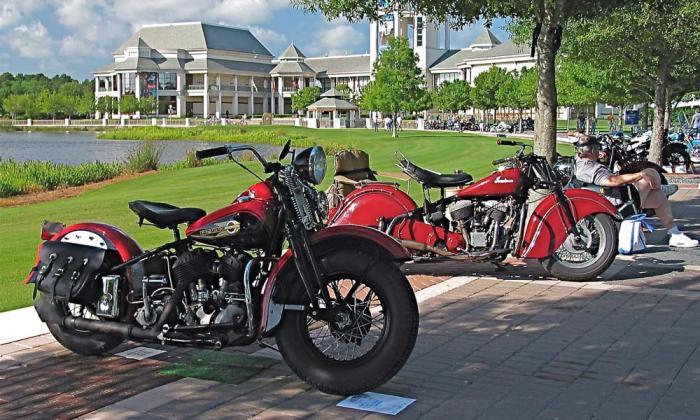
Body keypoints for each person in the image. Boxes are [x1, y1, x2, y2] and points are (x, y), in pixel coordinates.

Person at [572, 134, 698, 248]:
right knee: (649, 172)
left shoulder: (579, 162)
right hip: (618, 201)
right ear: (593, 150)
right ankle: (660, 187)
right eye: (597, 148)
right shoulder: (590, 168)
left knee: (660, 198)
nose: (600, 151)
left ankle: (675, 234)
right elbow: (613, 180)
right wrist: (640, 175)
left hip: (611, 196)